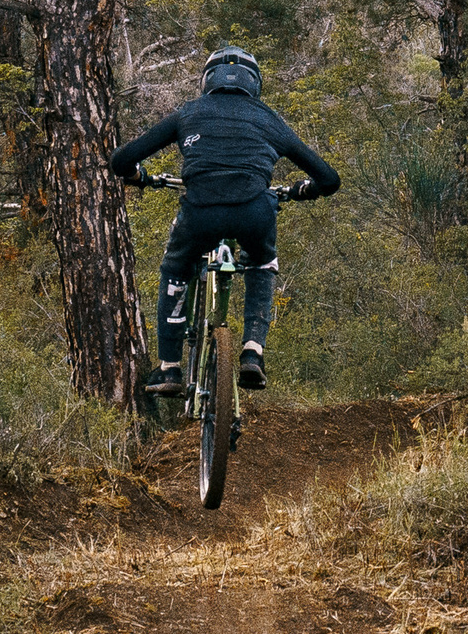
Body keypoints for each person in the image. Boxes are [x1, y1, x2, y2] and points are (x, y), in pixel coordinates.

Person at [109, 47, 340, 396]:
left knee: (176, 268)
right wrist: (304, 190)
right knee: (262, 264)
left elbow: (121, 159)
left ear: (207, 80)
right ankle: (252, 351)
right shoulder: (268, 118)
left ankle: (170, 369)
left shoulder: (188, 113)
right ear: (255, 83)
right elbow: (330, 179)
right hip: (254, 213)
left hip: (200, 212)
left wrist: (137, 175)